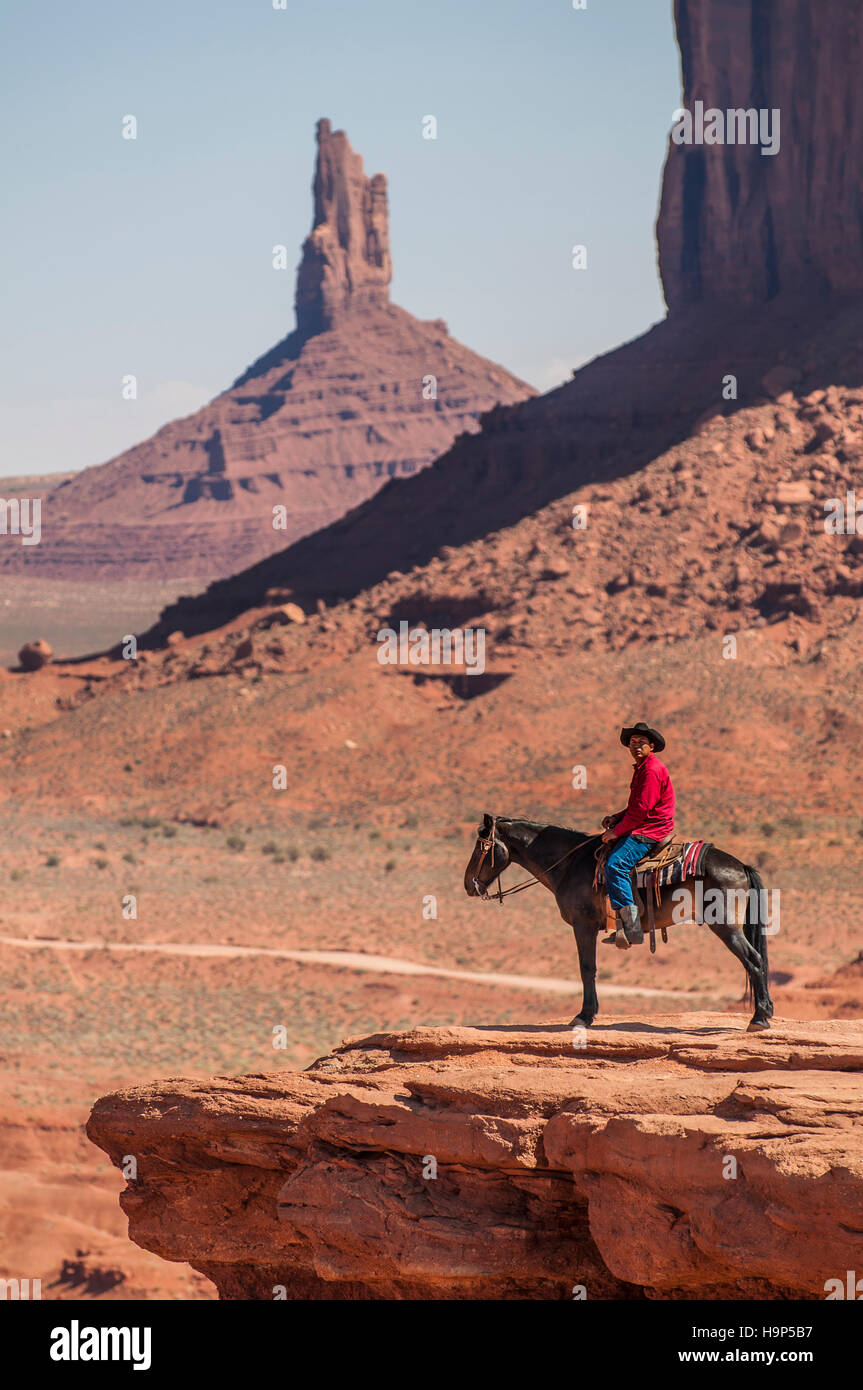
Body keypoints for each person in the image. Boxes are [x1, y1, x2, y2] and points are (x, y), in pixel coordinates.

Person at [600, 722, 675, 949]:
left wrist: (616, 831)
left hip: (650, 829)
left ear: (651, 745)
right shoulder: (643, 768)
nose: (636, 746)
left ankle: (631, 928)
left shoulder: (651, 770)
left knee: (615, 865)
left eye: (641, 742)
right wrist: (617, 817)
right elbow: (637, 806)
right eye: (632, 742)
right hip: (643, 824)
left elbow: (641, 812)